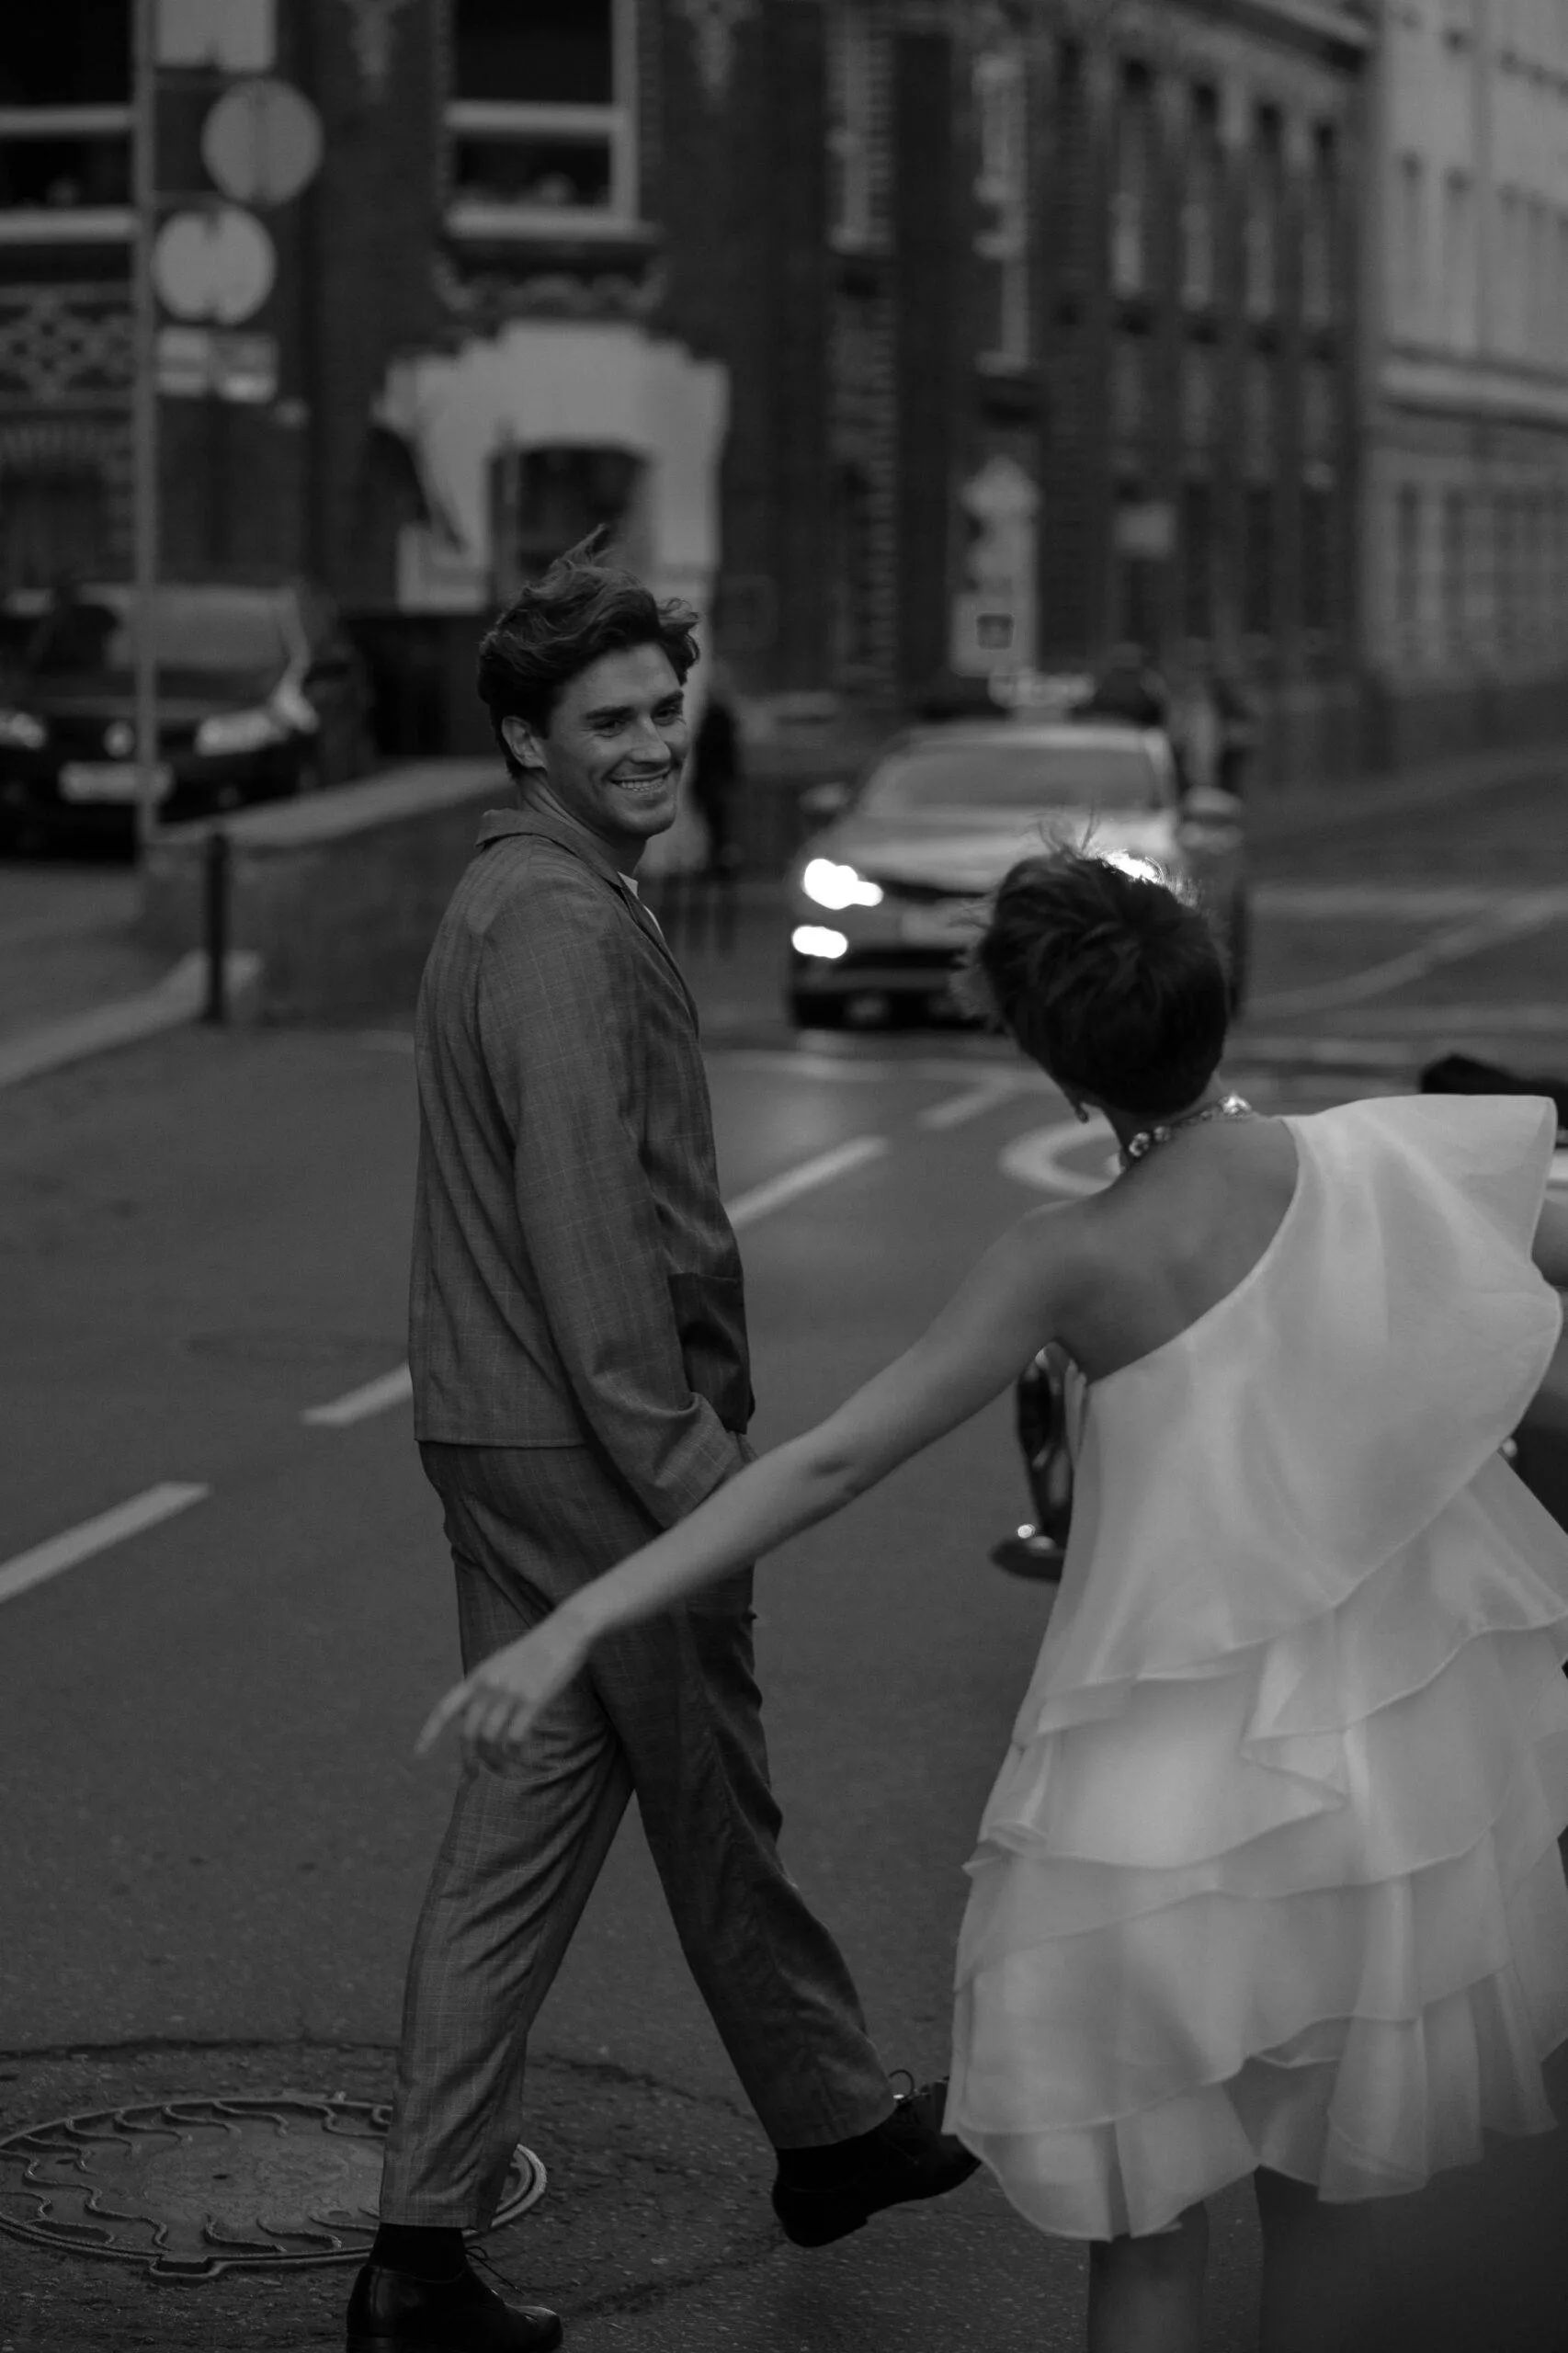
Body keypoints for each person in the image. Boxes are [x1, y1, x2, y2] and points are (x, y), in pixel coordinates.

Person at [421, 847, 1568, 2353]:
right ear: (1215, 994)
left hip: (1155, 1816)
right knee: (1323, 2214)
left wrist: (578, 1616)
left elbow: (826, 1466)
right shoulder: (1384, 1162)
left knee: (1146, 2250)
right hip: (1373, 1802)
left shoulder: (1068, 1260)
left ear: (1052, 1065)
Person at [347, 540, 977, 2353]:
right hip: (586, 1444)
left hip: (513, 1424)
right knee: (705, 1789)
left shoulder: (549, 888)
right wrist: (694, 1470)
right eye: (607, 719)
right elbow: (586, 1222)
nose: (649, 742)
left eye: (662, 709)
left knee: (543, 1821)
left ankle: (438, 2246)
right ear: (526, 742)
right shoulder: (548, 918)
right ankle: (826, 2127)